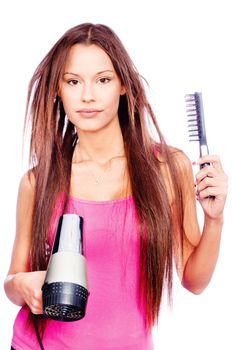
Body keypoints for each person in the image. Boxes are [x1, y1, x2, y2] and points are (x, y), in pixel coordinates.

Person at [4, 23, 228, 350]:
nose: (88, 95)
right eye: (73, 81)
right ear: (57, 90)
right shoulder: (37, 183)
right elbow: (12, 282)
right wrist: (23, 284)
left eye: (103, 80)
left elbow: (194, 281)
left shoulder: (167, 169)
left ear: (123, 86)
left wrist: (215, 219)